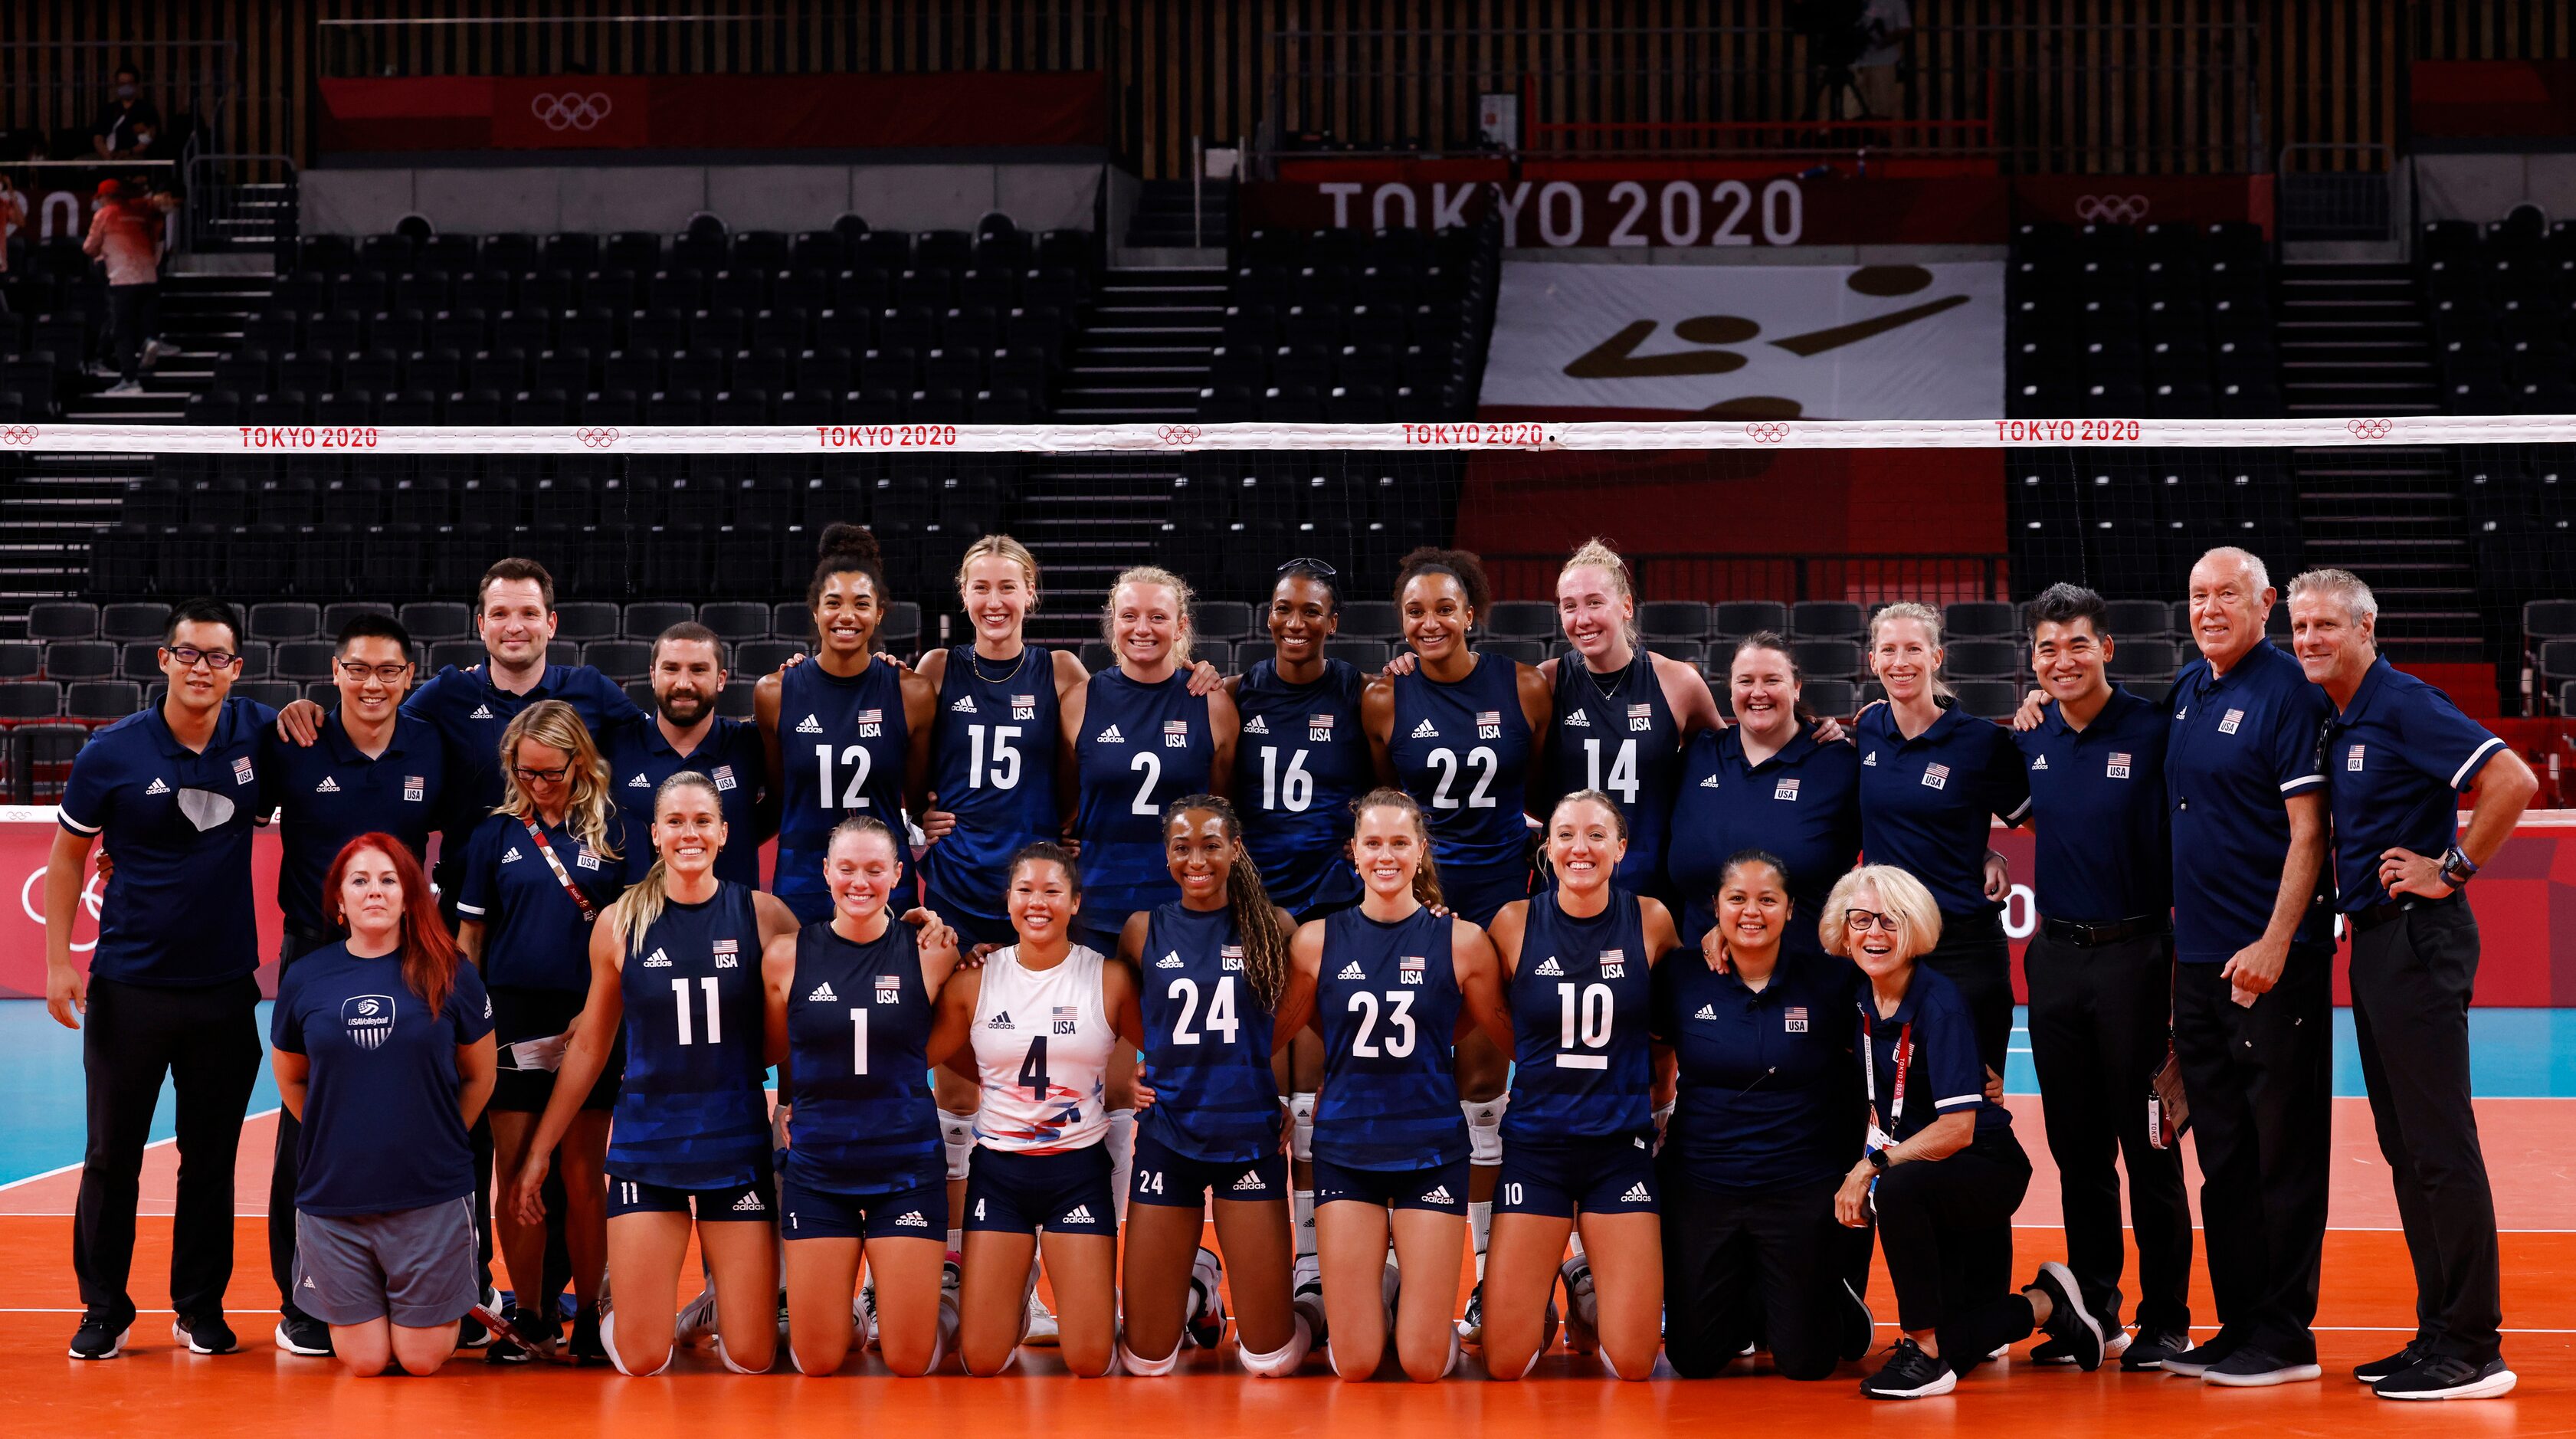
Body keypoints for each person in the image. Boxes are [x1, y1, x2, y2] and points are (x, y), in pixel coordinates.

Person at [2290, 567, 2537, 1401]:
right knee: (2405, 1149)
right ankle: (2438, 1331)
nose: (2309, 639)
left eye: (2325, 623)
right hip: (2374, 944)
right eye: (2298, 627)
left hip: (2417, 939)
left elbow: (2511, 779)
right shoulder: (2343, 716)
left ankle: (2472, 1347)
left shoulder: (2400, 701)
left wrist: (2453, 868)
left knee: (2437, 1146)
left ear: (2365, 626)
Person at [510, 771, 801, 1378]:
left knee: (750, 1357)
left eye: (701, 821)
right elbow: (590, 1046)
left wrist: (794, 1104)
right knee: (642, 1360)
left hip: (737, 1145)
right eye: (675, 821)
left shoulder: (765, 916)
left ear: (724, 833)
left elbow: (810, 1017)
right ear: (656, 833)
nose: (688, 833)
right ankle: (626, 1295)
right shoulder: (619, 923)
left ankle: (705, 1308)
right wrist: (541, 1150)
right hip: (648, 1147)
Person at [46, 598, 274, 1360]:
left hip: (222, 990)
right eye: (189, 653)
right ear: (163, 660)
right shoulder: (110, 753)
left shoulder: (258, 736)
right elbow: (68, 858)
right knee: (112, 1155)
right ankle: (103, 1309)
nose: (201, 668)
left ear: (236, 670)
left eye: (217, 657)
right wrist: (56, 965)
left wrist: (308, 708)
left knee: (209, 1161)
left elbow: (315, 747)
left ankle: (198, 1307)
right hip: (129, 988)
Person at [2157, 546, 2335, 1387]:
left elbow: (2309, 834)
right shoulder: (2188, 693)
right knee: (2221, 1154)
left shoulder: (2288, 693)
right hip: (2197, 965)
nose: (2209, 609)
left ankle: (2283, 1334)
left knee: (2280, 1151)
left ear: (2262, 602)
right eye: (2197, 596)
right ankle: (2236, 1327)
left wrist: (2271, 942)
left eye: (2226, 594)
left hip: (2270, 963)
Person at [1827, 865, 2106, 1400]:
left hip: (1982, 1163)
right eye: (1860, 921)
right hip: (1927, 1164)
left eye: (1890, 921)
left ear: (1916, 930)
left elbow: (1957, 1130)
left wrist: (1871, 1165)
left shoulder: (1939, 1003)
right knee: (1965, 1334)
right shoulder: (1857, 993)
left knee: (1898, 1189)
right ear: (1842, 932)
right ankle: (2046, 1303)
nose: (1874, 934)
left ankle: (1925, 1353)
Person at [1362, 546, 1548, 1333]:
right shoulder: (1384, 699)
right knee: (1405, 1065)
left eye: (1443, 607)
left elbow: (1543, 786)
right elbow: (1381, 797)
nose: (1429, 622)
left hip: (1500, 899)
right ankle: (1401, 1259)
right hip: (1418, 895)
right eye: (1413, 611)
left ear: (1472, 611)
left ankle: (1483, 1277)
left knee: (1482, 1077)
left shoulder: (1524, 687)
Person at [2007, 584, 2191, 1370]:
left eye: (2077, 644)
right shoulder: (2031, 736)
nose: (2062, 660)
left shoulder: (2154, 732)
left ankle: (2167, 1319)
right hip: (2052, 962)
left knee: (2147, 1146)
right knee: (2076, 1151)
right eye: (2047, 648)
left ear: (2106, 648)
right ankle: (2093, 1312)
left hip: (2136, 959)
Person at [912, 533, 1089, 1339]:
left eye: (1007, 588)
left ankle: (1061, 1282)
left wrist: (1074, 830)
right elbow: (902, 760)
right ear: (962, 593)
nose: (992, 602)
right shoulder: (936, 671)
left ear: (1030, 594)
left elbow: (1091, 764)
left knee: (1057, 1087)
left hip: (1034, 895)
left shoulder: (1060, 672)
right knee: (959, 1080)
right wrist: (918, 821)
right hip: (957, 890)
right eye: (979, 587)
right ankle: (955, 1273)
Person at [258, 612, 446, 1358]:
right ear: (334, 672)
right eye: (358, 669)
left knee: (419, 1118)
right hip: (315, 956)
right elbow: (214, 808)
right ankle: (301, 1302)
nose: (373, 683)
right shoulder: (292, 743)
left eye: (389, 671)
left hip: (409, 956)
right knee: (304, 1127)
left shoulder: (431, 745)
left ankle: (431, 1290)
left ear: (409, 678)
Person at [1282, 788, 1512, 1382]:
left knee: (1422, 1363)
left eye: (1400, 843)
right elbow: (1289, 1026)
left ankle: (1414, 1307)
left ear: (1421, 851)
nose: (1387, 855)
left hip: (1431, 1150)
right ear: (1352, 853)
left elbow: (1487, 1030)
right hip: (1346, 1150)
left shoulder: (1461, 941)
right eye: (1373, 843)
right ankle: (1383, 1283)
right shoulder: (1315, 940)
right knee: (1355, 1363)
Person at [280, 557, 645, 927]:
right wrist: (310, 711)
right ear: (482, 626)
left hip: (569, 899)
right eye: (500, 613)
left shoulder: (591, 690)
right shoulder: (450, 692)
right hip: (467, 901)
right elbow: (377, 712)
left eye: (529, 613)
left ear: (551, 624)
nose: (514, 626)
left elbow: (658, 739)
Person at [270, 837, 496, 1378]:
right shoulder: (306, 978)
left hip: (429, 1192)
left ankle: (426, 1299)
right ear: (340, 902)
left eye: (389, 880)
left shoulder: (451, 971)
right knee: (365, 1361)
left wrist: (436, 1134)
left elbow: (480, 1076)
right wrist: (341, 1137)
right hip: (336, 1194)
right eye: (361, 881)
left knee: (420, 1360)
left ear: (410, 895)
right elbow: (292, 1079)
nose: (376, 891)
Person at [1650, 849, 1872, 1380]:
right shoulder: (1680, 976)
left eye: (1767, 899)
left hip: (1797, 1185)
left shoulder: (1829, 982)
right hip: (1703, 1183)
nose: (1752, 911)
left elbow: (1889, 1037)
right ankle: (1752, 1286)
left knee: (1807, 1363)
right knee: (1695, 1360)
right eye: (1738, 899)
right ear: (1715, 908)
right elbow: (1651, 1056)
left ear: (1791, 910)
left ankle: (1824, 1289)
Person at [1480, 791, 1674, 1382]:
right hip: (1537, 1150)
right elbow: (1495, 1021)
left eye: (1595, 835)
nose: (1579, 847)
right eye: (1564, 834)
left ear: (1620, 847)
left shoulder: (1652, 919)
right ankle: (1548, 1285)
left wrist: (1662, 1100)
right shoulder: (1513, 923)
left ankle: (1584, 1280)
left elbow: (1670, 1023)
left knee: (1635, 1364)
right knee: (1508, 1363)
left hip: (1619, 1150)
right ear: (1547, 847)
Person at [455, 699, 628, 1362]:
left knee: (583, 1173)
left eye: (550, 774)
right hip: (511, 1018)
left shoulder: (617, 831)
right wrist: (466, 1016)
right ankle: (529, 1314)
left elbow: (636, 929)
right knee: (515, 1167)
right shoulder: (495, 837)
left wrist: (604, 1006)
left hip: (593, 1014)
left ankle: (588, 1313)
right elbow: (471, 936)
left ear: (579, 762)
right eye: (525, 773)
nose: (537, 785)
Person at [1115, 796, 1311, 1378]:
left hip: (1247, 1138)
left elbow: (1295, 1014)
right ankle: (1198, 1285)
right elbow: (1122, 1009)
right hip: (1168, 1135)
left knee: (1269, 1359)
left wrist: (1259, 1075)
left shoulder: (1274, 926)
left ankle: (1320, 1309)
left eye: (1210, 846)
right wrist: (1137, 1070)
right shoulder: (1141, 930)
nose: (1195, 860)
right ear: (1166, 854)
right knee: (1146, 1360)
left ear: (1236, 850)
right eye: (1181, 848)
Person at [932, 843, 1142, 1378]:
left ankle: (1041, 1286)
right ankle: (1012, 1297)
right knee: (981, 1360)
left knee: (1092, 1360)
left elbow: (1170, 1049)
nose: (1037, 903)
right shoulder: (975, 980)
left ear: (1075, 902)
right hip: (1001, 1174)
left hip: (1077, 1173)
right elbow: (916, 1052)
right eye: (1025, 890)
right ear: (1008, 900)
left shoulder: (1109, 978)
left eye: (1052, 891)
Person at [1226, 558, 1372, 1323]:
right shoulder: (1237, 692)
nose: (1295, 622)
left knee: (1312, 1086)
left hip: (1327, 901)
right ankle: (1240, 1251)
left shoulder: (1356, 691)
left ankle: (1314, 1261)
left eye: (1311, 610)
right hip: (1253, 904)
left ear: (1332, 620)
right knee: (1252, 1083)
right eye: (1284, 608)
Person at [769, 815, 967, 1377]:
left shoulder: (932, 952)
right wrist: (788, 1103)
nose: (861, 882)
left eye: (876, 870)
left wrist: (944, 929)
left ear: (898, 874)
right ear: (826, 871)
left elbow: (932, 1048)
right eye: (848, 868)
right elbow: (773, 1047)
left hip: (904, 1168)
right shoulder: (788, 955)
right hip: (818, 1170)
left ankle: (950, 1306)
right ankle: (846, 1313)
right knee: (818, 1361)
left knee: (908, 1361)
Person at [1853, 601, 2027, 1076]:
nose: (1900, 662)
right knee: (1897, 1099)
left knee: (1979, 1098)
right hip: (1890, 945)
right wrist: (1985, 849)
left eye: (1913, 648)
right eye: (1888, 650)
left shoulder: (1981, 742)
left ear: (1936, 657)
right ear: (1873, 661)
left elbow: (2038, 822)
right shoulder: (1866, 729)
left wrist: (1989, 851)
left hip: (1964, 946)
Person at [759, 524, 934, 923]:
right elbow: (779, 797)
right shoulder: (774, 693)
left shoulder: (913, 692)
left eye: (861, 604)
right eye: (834, 603)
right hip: (803, 878)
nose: (847, 616)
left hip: (882, 876)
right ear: (816, 610)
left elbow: (920, 801)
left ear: (879, 613)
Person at [1062, 565, 1240, 951]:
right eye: (1129, 616)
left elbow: (1221, 809)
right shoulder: (1079, 700)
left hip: (1185, 903)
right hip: (1097, 901)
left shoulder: (1213, 704)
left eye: (1158, 617)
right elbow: (1065, 800)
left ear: (1180, 627)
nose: (1142, 628)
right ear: (1114, 623)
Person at [1535, 539, 1722, 903]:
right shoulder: (1546, 682)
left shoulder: (1677, 682)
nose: (1582, 619)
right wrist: (1414, 672)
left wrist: (1807, 729)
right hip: (1568, 888)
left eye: (1595, 603)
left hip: (1652, 890)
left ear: (1626, 606)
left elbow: (1735, 760)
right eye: (1569, 606)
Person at [1669, 633, 1863, 954]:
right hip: (1701, 977)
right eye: (1745, 681)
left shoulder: (1840, 764)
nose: (1758, 693)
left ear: (1797, 688)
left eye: (1772, 680)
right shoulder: (1695, 759)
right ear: (1730, 690)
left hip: (1806, 975)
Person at [603, 621, 772, 890]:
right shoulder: (613, 747)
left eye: (698, 670)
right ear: (653, 675)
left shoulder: (750, 745)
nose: (683, 683)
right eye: (671, 669)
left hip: (732, 924)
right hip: (639, 922)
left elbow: (783, 804)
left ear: (721, 679)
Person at [83, 179, 166, 396]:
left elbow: (90, 248)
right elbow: (152, 239)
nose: (99, 202)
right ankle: (149, 340)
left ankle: (130, 380)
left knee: (121, 331)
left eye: (100, 198)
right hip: (149, 277)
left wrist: (103, 250)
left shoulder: (105, 215)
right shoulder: (141, 211)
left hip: (123, 279)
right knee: (143, 320)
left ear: (107, 197)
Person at [90, 64, 159, 159]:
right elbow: (98, 138)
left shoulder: (147, 110)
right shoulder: (107, 110)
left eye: (129, 83)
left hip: (135, 157)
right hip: (107, 157)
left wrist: (128, 152)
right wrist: (106, 155)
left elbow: (149, 137)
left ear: (136, 84)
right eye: (121, 84)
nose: (125, 87)